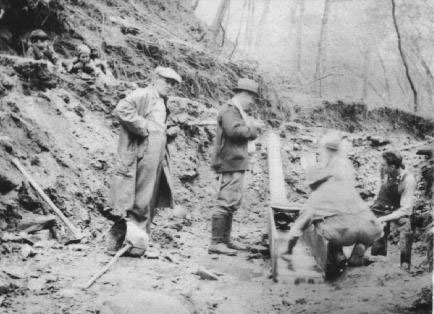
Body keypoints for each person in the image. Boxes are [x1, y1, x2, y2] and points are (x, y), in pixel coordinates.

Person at [285, 132, 383, 274]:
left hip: (340, 234)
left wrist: (286, 253)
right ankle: (357, 253)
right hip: (366, 230)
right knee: (360, 223)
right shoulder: (348, 190)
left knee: (320, 226)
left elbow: (295, 232)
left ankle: (336, 255)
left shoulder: (316, 198)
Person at [108, 66, 181, 256]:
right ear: (155, 78)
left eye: (173, 84)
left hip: (157, 157)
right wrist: (145, 127)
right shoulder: (143, 94)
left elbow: (160, 127)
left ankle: (140, 241)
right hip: (144, 153)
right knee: (141, 197)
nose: (170, 86)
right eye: (167, 81)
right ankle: (132, 242)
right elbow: (121, 109)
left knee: (150, 199)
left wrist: (170, 131)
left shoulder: (163, 102)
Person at [209, 78, 263, 256]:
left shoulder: (235, 111)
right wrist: (253, 128)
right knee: (225, 201)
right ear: (244, 94)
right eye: (252, 98)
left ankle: (225, 240)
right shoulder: (230, 110)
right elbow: (235, 132)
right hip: (230, 161)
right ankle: (216, 242)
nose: (252, 102)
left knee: (231, 202)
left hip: (235, 161)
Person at [370, 151, 416, 269]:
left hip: (398, 209)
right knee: (377, 226)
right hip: (382, 206)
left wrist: (385, 218)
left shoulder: (408, 180)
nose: (381, 167)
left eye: (383, 165)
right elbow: (380, 188)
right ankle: (377, 260)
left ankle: (405, 264)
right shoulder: (384, 172)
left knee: (406, 225)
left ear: (392, 167)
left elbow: (406, 209)